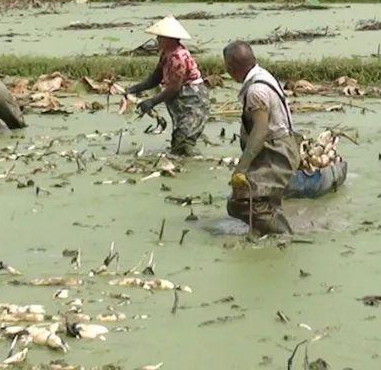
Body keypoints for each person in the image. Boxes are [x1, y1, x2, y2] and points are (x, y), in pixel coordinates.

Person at [222, 41, 302, 235]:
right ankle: (265, 232)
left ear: (231, 67)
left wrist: (241, 168)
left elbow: (260, 130)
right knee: (264, 199)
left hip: (277, 152)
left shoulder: (256, 91)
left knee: (240, 201)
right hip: (281, 146)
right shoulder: (262, 75)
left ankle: (281, 234)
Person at [126, 16, 211, 156]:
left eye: (160, 37)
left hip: (192, 101)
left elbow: (174, 88)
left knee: (183, 141)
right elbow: (155, 77)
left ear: (169, 39)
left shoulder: (178, 57)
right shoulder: (166, 54)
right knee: (178, 140)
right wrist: (133, 89)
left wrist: (151, 102)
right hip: (180, 101)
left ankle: (194, 166)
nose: (158, 40)